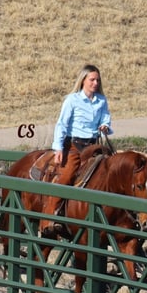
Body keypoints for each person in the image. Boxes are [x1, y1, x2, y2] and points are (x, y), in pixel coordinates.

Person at [40, 64, 113, 238]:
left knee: (112, 171)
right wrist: (58, 148)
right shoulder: (72, 100)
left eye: (97, 80)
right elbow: (62, 124)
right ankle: (49, 218)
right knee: (67, 175)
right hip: (74, 145)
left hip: (94, 145)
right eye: (92, 79)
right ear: (83, 81)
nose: (95, 83)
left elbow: (106, 119)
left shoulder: (101, 100)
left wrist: (105, 126)